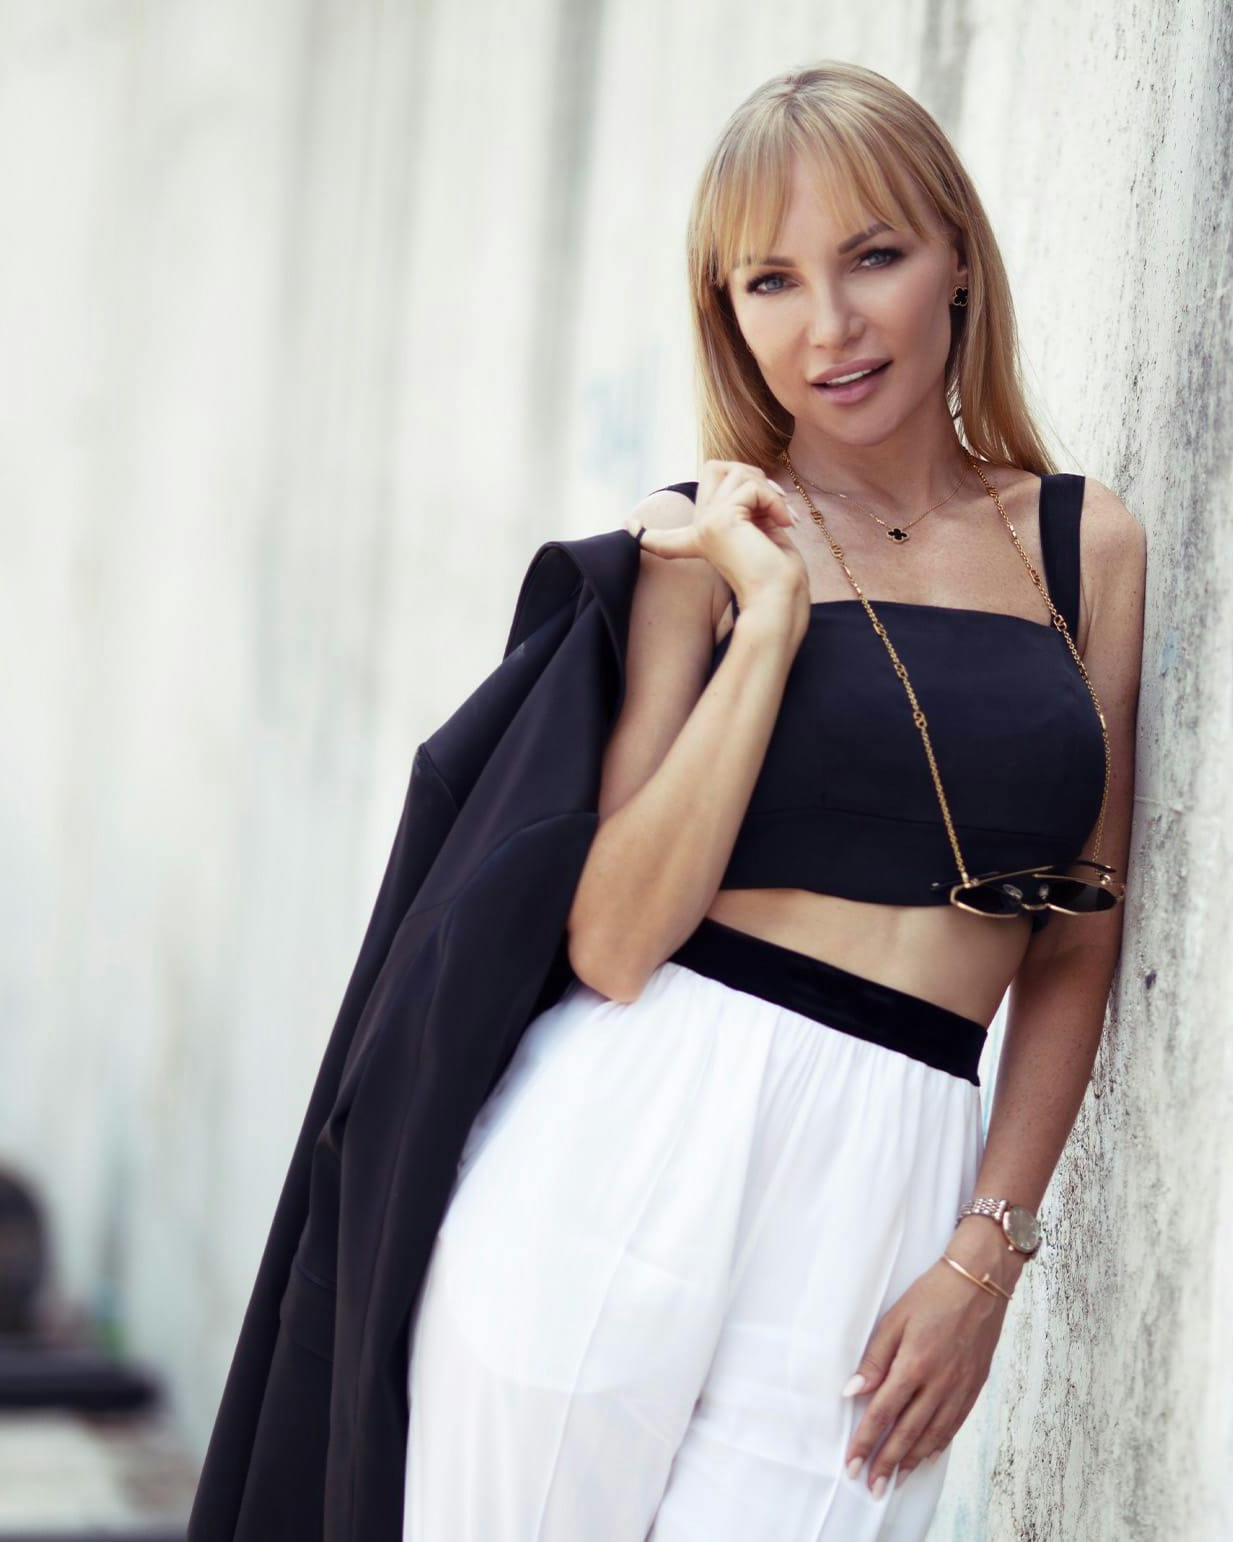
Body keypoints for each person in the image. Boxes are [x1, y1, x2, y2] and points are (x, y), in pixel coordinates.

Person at [401, 59, 1147, 1541]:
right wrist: (772, 615)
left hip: (894, 1171)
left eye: (873, 256)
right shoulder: (706, 551)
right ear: (726, 312)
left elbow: (1074, 938)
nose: (833, 326)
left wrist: (982, 1258)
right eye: (773, 282)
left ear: (957, 264)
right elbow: (614, 938)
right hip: (626, 1142)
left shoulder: (1085, 547)